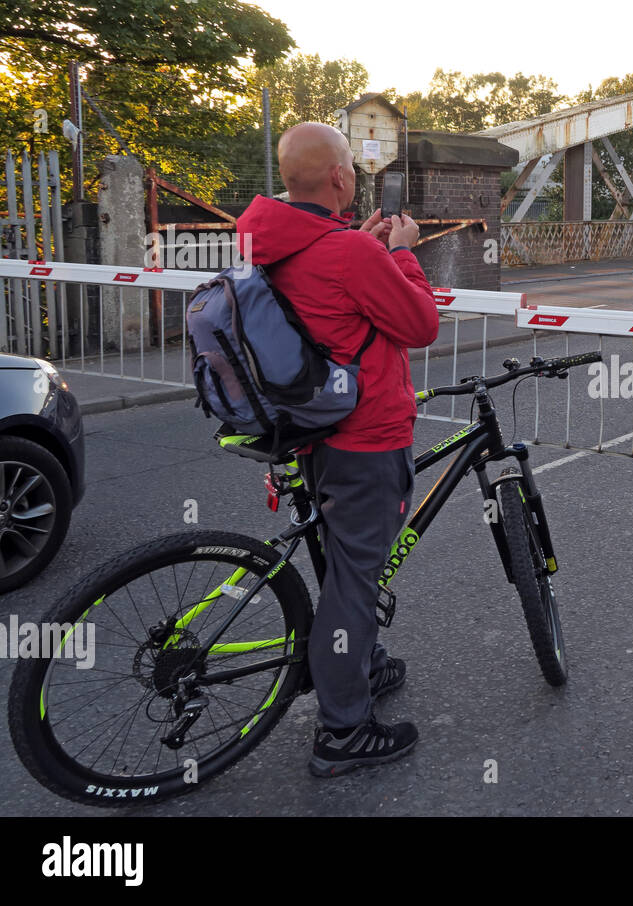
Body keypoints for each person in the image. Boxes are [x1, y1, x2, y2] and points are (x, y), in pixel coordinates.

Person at [235, 122, 439, 777]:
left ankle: (364, 668)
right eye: (351, 164)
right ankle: (343, 733)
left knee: (341, 566)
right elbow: (420, 324)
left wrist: (364, 247)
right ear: (341, 179)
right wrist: (401, 253)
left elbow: (322, 293)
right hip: (366, 438)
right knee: (354, 585)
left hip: (311, 430)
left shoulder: (264, 241)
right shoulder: (352, 254)